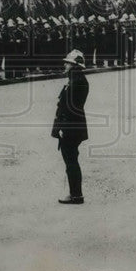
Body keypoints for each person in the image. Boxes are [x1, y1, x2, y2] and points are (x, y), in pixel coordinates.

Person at [51, 49, 89, 204]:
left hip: (70, 127)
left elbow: (69, 108)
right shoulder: (75, 79)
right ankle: (75, 194)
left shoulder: (76, 81)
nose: (65, 65)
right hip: (73, 126)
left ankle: (76, 195)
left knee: (71, 161)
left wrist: (62, 128)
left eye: (68, 63)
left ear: (75, 65)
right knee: (71, 160)